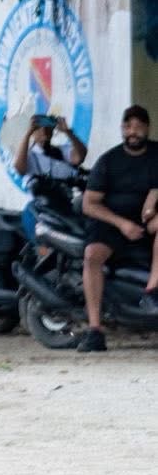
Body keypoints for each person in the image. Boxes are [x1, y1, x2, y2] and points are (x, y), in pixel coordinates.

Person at [78, 105, 158, 351]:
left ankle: (152, 290)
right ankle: (95, 330)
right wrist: (122, 224)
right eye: (128, 126)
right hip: (112, 223)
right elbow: (89, 204)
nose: (133, 132)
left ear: (147, 129)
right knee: (92, 255)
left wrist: (153, 199)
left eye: (138, 127)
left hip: (147, 222)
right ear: (122, 129)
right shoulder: (108, 161)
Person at [14, 112, 87, 209]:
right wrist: (28, 134)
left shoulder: (60, 151)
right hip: (44, 206)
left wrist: (68, 132)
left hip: (70, 198)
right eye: (38, 128)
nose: (44, 130)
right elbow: (19, 169)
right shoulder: (30, 155)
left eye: (47, 127)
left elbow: (79, 157)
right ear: (33, 132)